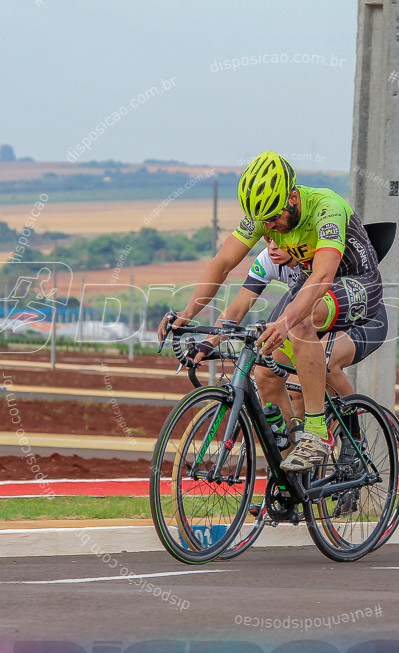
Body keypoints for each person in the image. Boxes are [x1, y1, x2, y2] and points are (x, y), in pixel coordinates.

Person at [158, 151, 383, 471]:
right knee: (264, 369)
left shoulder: (326, 207)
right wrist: (189, 315)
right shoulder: (264, 213)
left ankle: (318, 434)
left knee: (299, 322)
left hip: (356, 282)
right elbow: (222, 264)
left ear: (293, 198)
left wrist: (286, 321)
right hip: (311, 286)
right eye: (262, 222)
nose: (269, 228)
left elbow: (322, 277)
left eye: (274, 219)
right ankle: (295, 480)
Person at [191, 235, 389, 438]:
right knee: (265, 372)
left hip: (359, 316)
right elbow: (238, 308)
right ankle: (286, 464)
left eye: (279, 241)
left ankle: (352, 438)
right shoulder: (267, 260)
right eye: (268, 240)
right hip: (308, 312)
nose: (272, 247)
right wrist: (208, 343)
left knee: (324, 362)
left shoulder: (319, 253)